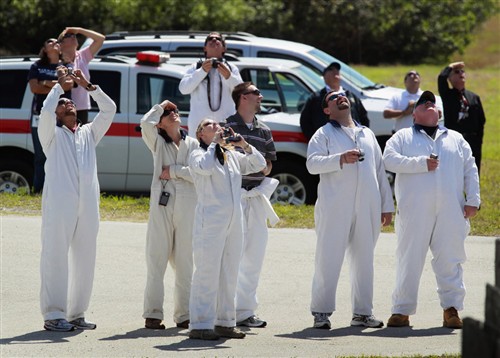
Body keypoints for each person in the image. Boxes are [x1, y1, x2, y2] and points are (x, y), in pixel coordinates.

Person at [383, 90, 480, 329]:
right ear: (414, 114)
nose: (429, 104)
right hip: (414, 209)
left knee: (450, 259)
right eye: (423, 102)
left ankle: (451, 309)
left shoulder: (455, 138)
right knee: (409, 258)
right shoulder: (403, 136)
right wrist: (420, 164)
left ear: (439, 113)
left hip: (450, 209)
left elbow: (470, 168)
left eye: (432, 103)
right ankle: (401, 310)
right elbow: (389, 160)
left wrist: (473, 200)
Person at [306, 90, 394, 330]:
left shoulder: (366, 133)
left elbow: (379, 171)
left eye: (343, 95)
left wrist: (387, 206)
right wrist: (339, 159)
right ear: (327, 110)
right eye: (334, 98)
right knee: (328, 258)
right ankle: (321, 312)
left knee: (365, 260)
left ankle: (362, 313)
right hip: (335, 206)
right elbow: (312, 164)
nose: (340, 98)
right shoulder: (322, 134)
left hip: (367, 205)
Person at [38, 67, 116, 331]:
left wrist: (88, 86)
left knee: (86, 257)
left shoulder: (88, 133)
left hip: (88, 205)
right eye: (63, 104)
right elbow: (46, 113)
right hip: (60, 204)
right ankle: (53, 314)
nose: (68, 104)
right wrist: (60, 87)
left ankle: (76, 313)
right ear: (58, 113)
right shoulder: (51, 135)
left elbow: (109, 110)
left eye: (70, 102)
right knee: (55, 255)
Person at [187, 118, 266, 340]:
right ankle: (200, 324)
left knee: (229, 271)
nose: (217, 127)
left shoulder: (231, 156)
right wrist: (214, 144)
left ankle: (224, 321)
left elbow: (258, 164)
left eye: (218, 125)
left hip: (233, 221)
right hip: (210, 222)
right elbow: (204, 168)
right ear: (200, 134)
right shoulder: (197, 154)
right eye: (210, 125)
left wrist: (244, 145)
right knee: (207, 271)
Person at [140, 100, 199, 330]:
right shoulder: (157, 142)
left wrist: (174, 172)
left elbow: (199, 174)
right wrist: (160, 105)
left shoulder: (193, 144)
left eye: (174, 111)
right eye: (167, 113)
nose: (172, 114)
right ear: (161, 124)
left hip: (188, 204)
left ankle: (184, 314)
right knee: (156, 259)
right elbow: (145, 124)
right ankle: (153, 314)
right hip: (162, 205)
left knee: (185, 262)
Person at [225, 82, 279, 328]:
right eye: (256, 93)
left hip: (256, 196)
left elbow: (268, 164)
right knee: (231, 255)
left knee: (254, 256)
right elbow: (224, 159)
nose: (260, 96)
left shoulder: (264, 130)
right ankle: (225, 310)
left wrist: (261, 166)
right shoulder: (227, 126)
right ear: (242, 98)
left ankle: (245, 312)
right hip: (233, 196)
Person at [27, 38, 73, 193]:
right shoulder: (37, 66)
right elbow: (34, 88)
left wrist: (45, 82)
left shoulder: (66, 66)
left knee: (61, 155)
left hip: (62, 117)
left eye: (57, 42)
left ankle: (57, 189)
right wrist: (57, 85)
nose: (54, 43)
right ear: (45, 49)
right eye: (50, 42)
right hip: (40, 116)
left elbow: (68, 85)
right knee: (40, 155)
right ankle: (39, 189)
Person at [179, 32, 242, 137]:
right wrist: (202, 71)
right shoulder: (196, 67)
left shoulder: (231, 68)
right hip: (200, 129)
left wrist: (229, 77)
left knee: (227, 154)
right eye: (210, 39)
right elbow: (183, 89)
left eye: (218, 39)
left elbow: (241, 92)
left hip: (224, 127)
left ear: (224, 49)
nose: (214, 40)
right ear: (205, 48)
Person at [300, 62, 369, 141]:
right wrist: (316, 140)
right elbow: (305, 121)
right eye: (331, 69)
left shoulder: (350, 96)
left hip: (352, 140)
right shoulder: (316, 98)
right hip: (328, 143)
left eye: (337, 70)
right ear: (324, 76)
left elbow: (363, 117)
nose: (335, 71)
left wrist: (361, 138)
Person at [438, 61, 486, 175]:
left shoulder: (473, 97)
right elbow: (441, 78)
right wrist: (450, 66)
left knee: (473, 172)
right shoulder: (447, 95)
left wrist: (478, 140)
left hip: (472, 141)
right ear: (450, 78)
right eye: (456, 72)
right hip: (454, 140)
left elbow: (481, 120)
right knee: (454, 172)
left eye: (462, 71)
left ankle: (472, 193)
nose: (461, 73)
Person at [58, 27, 105, 124]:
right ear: (60, 44)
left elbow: (100, 39)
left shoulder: (82, 56)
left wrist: (79, 30)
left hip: (82, 108)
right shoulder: (57, 61)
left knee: (80, 138)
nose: (73, 36)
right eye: (68, 35)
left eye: (74, 35)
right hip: (63, 109)